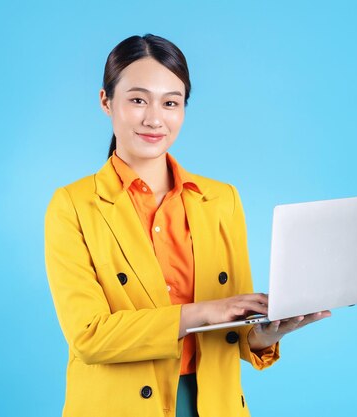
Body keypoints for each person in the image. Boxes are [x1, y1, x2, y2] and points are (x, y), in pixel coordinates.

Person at [44, 34, 330, 417]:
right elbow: (89, 337)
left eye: (171, 103)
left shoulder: (220, 199)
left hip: (215, 404)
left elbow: (236, 321)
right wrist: (202, 312)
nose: (154, 118)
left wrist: (265, 333)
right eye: (137, 99)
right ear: (106, 102)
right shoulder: (74, 206)